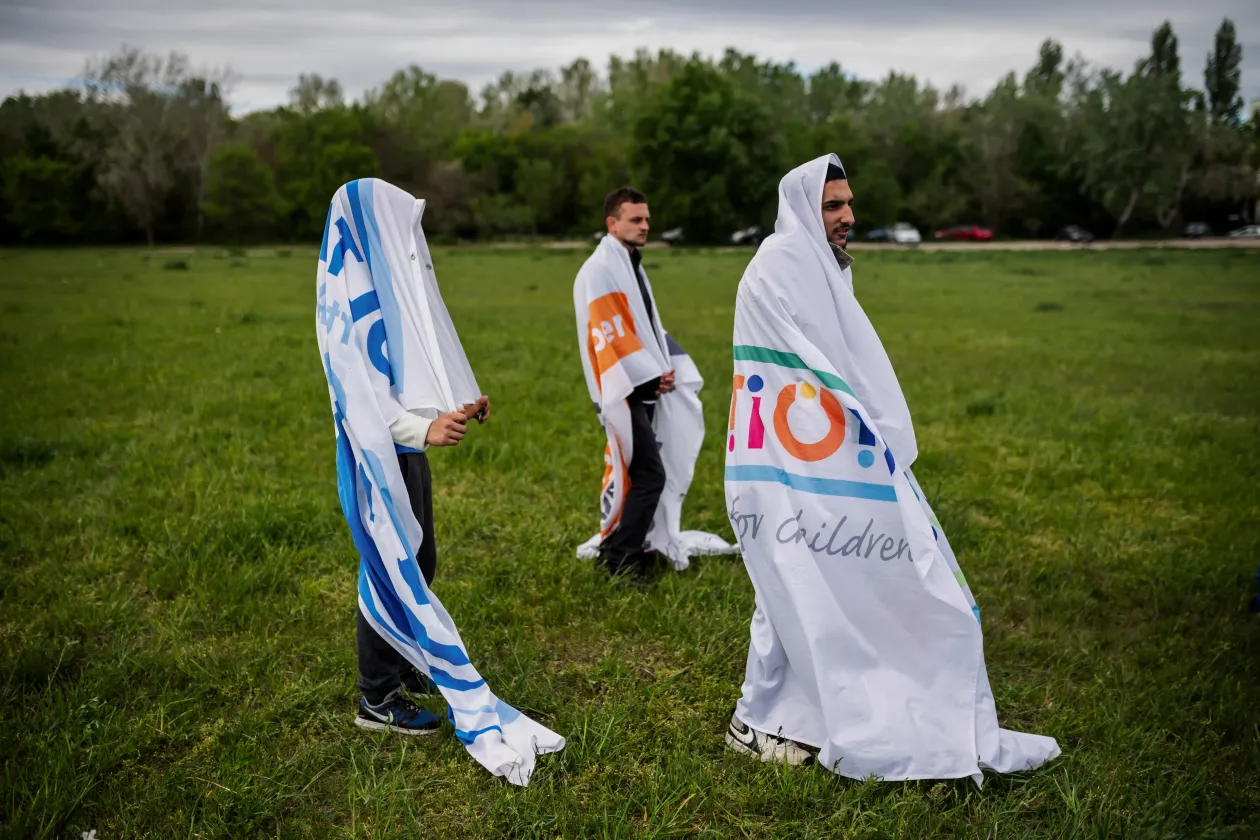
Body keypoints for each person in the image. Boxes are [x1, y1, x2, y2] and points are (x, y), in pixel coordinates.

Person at [723, 155, 1060, 782]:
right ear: (801, 208)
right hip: (791, 463)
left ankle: (781, 718)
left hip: (833, 455)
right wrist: (863, 437)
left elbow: (843, 364)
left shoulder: (826, 269)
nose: (848, 216)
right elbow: (799, 372)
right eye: (832, 206)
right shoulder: (777, 268)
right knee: (794, 582)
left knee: (813, 585)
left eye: (849, 203)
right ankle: (761, 721)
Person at [317, 178, 563, 784]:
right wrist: (420, 432)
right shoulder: (346, 290)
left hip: (403, 446)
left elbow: (408, 361)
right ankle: (376, 698)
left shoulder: (377, 279)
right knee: (390, 565)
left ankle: (400, 659)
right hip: (378, 452)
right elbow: (364, 395)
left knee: (421, 558)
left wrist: (451, 404)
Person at [573, 188, 734, 581]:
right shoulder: (600, 270)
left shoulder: (630, 263)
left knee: (639, 472)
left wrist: (664, 365)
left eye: (647, 219)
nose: (645, 226)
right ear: (612, 223)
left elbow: (645, 326)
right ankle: (620, 559)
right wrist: (647, 375)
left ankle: (628, 545)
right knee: (649, 474)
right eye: (636, 220)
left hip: (639, 385)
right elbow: (608, 332)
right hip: (623, 389)